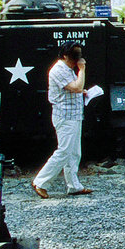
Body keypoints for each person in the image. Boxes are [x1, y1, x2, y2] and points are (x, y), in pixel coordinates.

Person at [32, 41, 92, 197]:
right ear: (65, 55)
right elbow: (76, 87)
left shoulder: (68, 69)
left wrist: (82, 91)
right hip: (65, 116)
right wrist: (82, 70)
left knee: (74, 152)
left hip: (74, 115)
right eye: (74, 56)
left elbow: (74, 88)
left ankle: (74, 186)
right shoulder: (59, 70)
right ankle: (40, 182)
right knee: (64, 151)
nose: (77, 60)